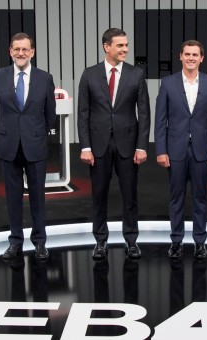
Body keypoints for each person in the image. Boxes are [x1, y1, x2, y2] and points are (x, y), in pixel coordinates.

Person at [77, 28, 151, 260]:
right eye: (120, 45)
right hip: (98, 146)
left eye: (126, 45)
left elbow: (144, 112)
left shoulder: (136, 74)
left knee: (130, 195)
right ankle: (100, 241)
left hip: (128, 145)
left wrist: (142, 146)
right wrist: (85, 147)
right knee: (99, 195)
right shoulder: (89, 74)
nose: (125, 49)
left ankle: (131, 241)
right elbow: (83, 114)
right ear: (106, 46)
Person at [0, 32, 56, 261]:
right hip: (8, 146)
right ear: (10, 51)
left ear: (32, 52)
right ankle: (15, 241)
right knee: (13, 197)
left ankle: (40, 243)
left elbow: (50, 116)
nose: (21, 53)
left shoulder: (45, 78)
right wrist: (9, 131)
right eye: (16, 49)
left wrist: (33, 133)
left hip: (35, 145)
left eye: (25, 49)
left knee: (38, 197)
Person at [154, 40, 207, 259]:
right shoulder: (167, 83)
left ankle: (200, 242)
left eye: (195, 54)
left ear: (201, 58)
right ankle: (176, 241)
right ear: (180, 56)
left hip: (203, 150)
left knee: (200, 198)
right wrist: (160, 150)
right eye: (187, 54)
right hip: (175, 150)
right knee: (176, 197)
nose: (191, 58)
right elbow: (160, 120)